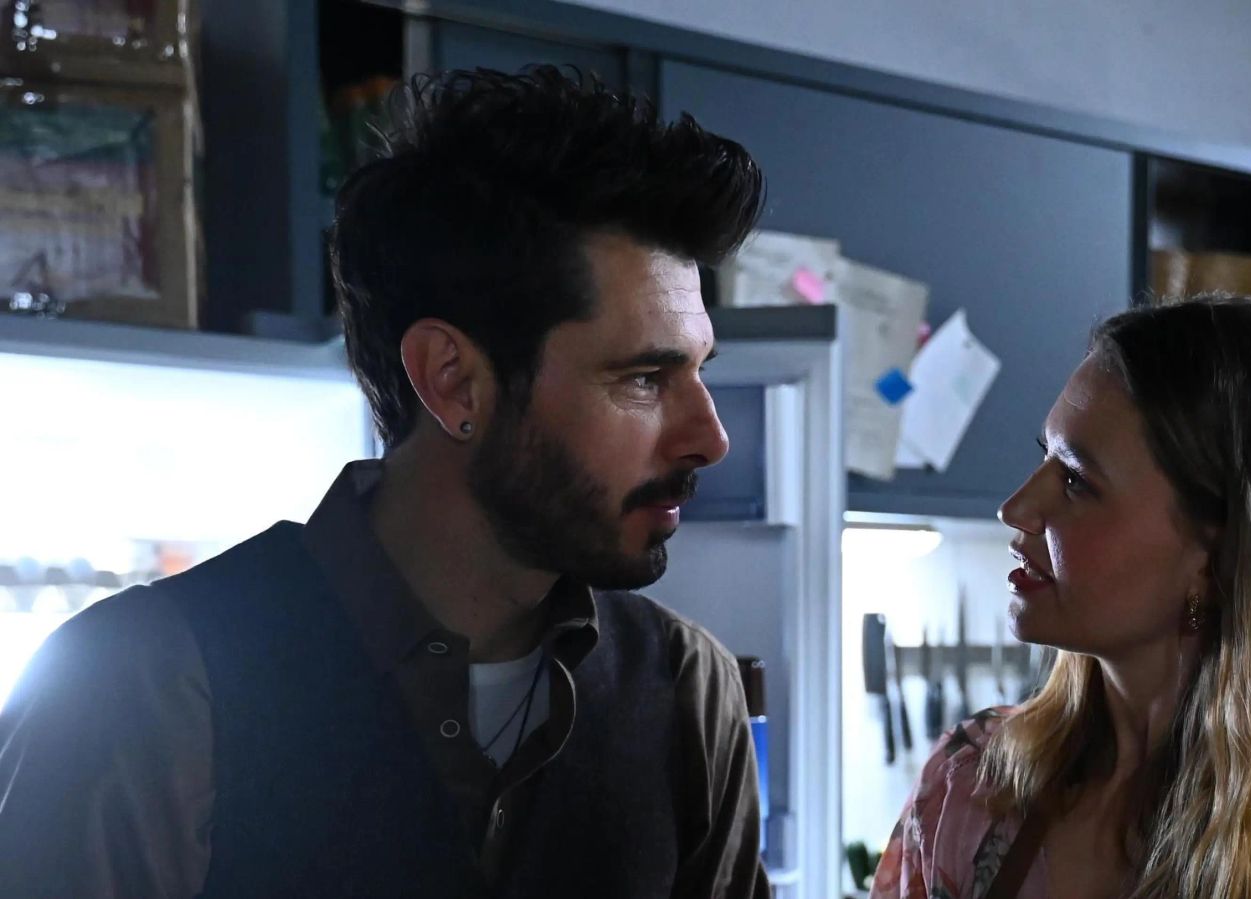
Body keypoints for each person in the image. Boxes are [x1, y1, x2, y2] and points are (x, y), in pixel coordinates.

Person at [0, 67, 770, 898]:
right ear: (453, 381)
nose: (711, 438)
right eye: (644, 379)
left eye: (698, 370)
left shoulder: (688, 687)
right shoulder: (141, 685)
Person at [871, 294, 1251, 899]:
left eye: (1075, 480)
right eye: (1045, 457)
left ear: (1219, 549)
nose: (1016, 508)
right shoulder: (970, 778)